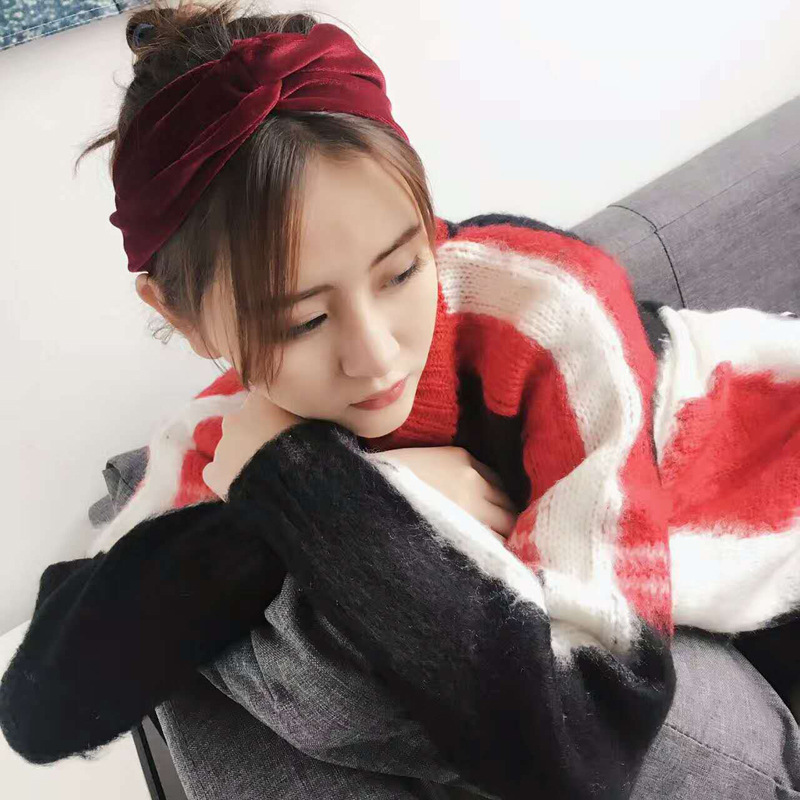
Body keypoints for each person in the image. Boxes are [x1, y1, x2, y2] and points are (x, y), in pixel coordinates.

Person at [1, 2, 798, 798]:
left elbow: (586, 742)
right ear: (181, 317)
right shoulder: (236, 435)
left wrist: (324, 492)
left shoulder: (549, 308)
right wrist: (308, 491)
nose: (378, 355)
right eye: (304, 320)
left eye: (403, 270)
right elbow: (39, 709)